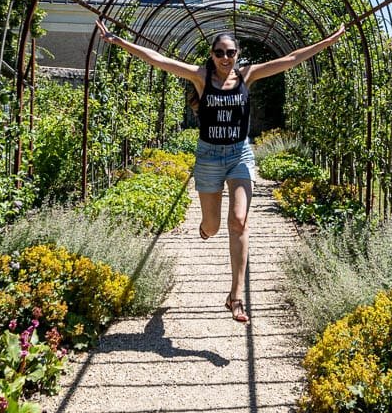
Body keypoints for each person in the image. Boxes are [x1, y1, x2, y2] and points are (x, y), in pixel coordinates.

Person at [94, 20, 346, 324]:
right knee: (213, 227)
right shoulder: (201, 76)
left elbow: (290, 59)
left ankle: (236, 296)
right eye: (219, 53)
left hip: (240, 154)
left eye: (230, 52)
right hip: (209, 157)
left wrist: (327, 42)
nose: (225, 58)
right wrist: (120, 42)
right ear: (212, 55)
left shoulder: (247, 75)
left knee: (239, 221)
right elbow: (159, 59)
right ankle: (205, 228)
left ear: (238, 54)